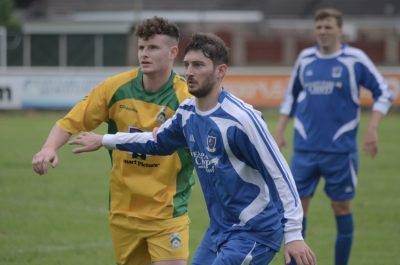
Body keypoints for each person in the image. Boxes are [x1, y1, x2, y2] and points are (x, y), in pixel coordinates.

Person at [68, 32, 316, 265]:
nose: (189, 72)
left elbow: (279, 171)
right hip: (219, 229)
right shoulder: (187, 113)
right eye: (186, 65)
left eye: (198, 65)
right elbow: (156, 142)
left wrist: (294, 234)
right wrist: (104, 140)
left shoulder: (241, 119)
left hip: (254, 231)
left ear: (220, 71)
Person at [31, 16, 195, 265]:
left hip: (168, 211)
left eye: (153, 47)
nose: (144, 54)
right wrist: (48, 148)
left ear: (173, 52)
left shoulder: (186, 98)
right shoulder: (116, 88)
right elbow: (71, 121)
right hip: (123, 212)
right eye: (141, 47)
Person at [274, 8, 393, 265]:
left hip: (340, 150)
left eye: (328, 27)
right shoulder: (305, 58)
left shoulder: (355, 59)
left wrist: (372, 128)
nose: (323, 32)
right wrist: (280, 129)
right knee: (297, 211)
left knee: (341, 208)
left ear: (340, 30)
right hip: (305, 149)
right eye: (319, 27)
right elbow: (291, 97)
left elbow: (383, 92)